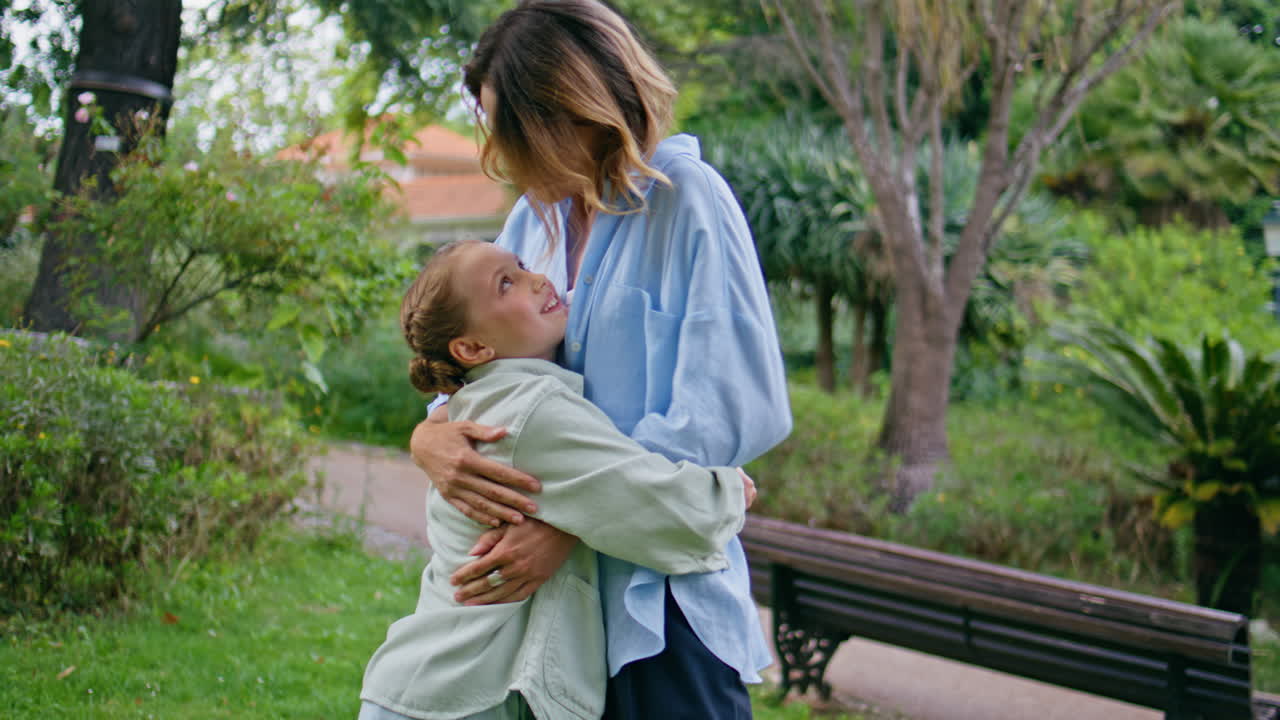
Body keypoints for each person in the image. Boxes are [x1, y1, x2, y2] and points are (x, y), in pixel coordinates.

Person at [410, 1, 792, 718]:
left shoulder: (686, 201)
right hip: (553, 622)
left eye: (507, 127)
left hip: (661, 604)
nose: (499, 153)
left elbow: (728, 408)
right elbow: (481, 364)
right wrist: (431, 434)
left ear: (564, 110)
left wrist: (570, 523)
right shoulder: (533, 221)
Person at [360, 239, 754, 720]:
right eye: (506, 284)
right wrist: (730, 490)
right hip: (454, 699)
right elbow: (656, 508)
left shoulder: (488, 402)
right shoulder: (530, 413)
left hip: (443, 691)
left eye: (522, 266)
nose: (538, 279)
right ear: (473, 348)